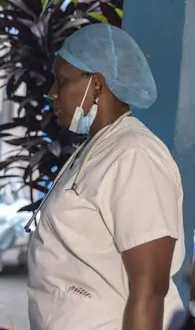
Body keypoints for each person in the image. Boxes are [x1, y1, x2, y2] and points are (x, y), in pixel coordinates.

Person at [27, 23, 184, 330]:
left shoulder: (134, 154)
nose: (52, 93)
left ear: (96, 84)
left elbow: (150, 288)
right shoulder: (96, 147)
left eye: (61, 81)